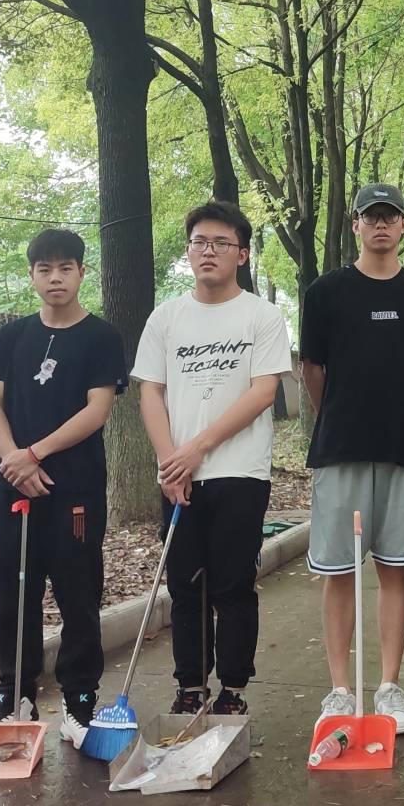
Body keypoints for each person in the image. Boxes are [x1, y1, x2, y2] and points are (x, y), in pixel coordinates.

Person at [132, 201, 292, 717]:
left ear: (241, 254)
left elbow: (263, 391)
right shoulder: (166, 317)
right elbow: (151, 392)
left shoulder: (261, 316)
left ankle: (233, 690)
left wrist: (197, 448)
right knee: (185, 586)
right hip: (179, 478)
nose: (209, 251)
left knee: (232, 585)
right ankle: (190, 686)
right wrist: (169, 462)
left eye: (222, 243)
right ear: (188, 250)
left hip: (240, 472)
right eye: (200, 242)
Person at [300, 183, 404, 734]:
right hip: (341, 448)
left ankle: (389, 687)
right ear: (355, 224)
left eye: (390, 216)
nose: (380, 224)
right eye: (371, 216)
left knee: (393, 566)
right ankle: (340, 691)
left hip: (402, 447)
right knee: (339, 571)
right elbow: (313, 370)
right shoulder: (326, 292)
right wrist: (338, 415)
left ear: (403, 224)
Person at [0, 229, 127, 747]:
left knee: (78, 592)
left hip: (74, 489)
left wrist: (34, 454)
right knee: (12, 591)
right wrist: (13, 460)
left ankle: (79, 699)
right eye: (45, 269)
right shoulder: (11, 336)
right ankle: (14, 695)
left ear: (82, 273)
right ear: (32, 275)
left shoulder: (101, 337)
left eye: (65, 268)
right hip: (12, 485)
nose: (55, 278)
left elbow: (97, 410)